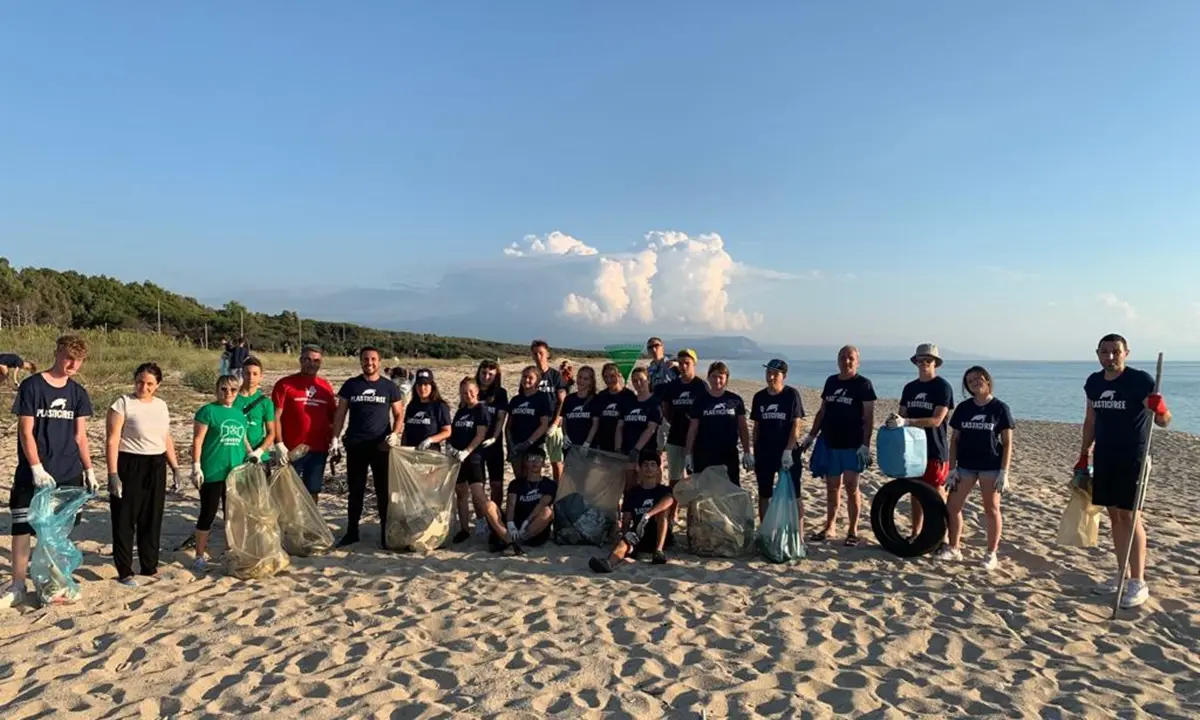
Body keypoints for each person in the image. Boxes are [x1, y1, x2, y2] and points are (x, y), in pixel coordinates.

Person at [1, 335, 99, 609]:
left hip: (68, 472)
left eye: (78, 360)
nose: (73, 364)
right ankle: (18, 585)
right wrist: (35, 466)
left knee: (57, 532)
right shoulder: (33, 386)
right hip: (34, 472)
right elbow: (26, 431)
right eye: (69, 357)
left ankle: (53, 582)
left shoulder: (78, 393)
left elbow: (81, 436)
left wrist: (89, 470)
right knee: (21, 527)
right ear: (57, 353)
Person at [1076, 333, 1171, 608]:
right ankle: (1121, 573)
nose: (1110, 356)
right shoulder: (1093, 382)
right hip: (1105, 456)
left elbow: (1164, 420)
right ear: (1098, 354)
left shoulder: (1140, 381)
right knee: (1115, 517)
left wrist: (1160, 408)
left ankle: (1138, 581)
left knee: (1131, 516)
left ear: (1126, 353)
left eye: (1115, 351)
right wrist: (1084, 453)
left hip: (1134, 456)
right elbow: (1090, 419)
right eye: (1104, 352)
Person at [105, 362, 180, 586]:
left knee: (151, 517)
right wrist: (113, 473)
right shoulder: (122, 404)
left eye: (149, 383)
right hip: (129, 462)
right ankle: (125, 570)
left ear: (157, 385)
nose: (143, 387)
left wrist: (175, 467)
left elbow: (165, 437)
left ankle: (149, 566)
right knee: (125, 518)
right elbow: (112, 439)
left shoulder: (161, 406)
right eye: (140, 381)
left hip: (156, 464)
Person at [940, 366, 1015, 570]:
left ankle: (991, 554)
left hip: (990, 466)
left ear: (987, 380)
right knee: (953, 506)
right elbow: (954, 439)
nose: (974, 383)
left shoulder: (1000, 408)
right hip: (965, 466)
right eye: (970, 381)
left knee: (991, 509)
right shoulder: (964, 408)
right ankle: (954, 547)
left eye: (977, 378)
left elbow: (1007, 442)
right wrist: (952, 468)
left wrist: (1004, 471)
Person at [332, 346, 405, 548]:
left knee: (383, 491)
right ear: (361, 361)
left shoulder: (389, 387)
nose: (369, 362)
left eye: (373, 359)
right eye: (365, 359)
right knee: (356, 491)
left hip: (381, 446)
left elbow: (399, 414)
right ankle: (352, 531)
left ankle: (385, 533)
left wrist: (395, 434)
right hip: (356, 445)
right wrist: (335, 439)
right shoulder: (351, 385)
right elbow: (340, 413)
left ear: (379, 362)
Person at [803, 345, 877, 546]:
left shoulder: (864, 384)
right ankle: (830, 526)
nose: (846, 361)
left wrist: (865, 445)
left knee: (852, 486)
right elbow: (823, 411)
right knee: (832, 487)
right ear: (837, 360)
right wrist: (811, 436)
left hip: (853, 445)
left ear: (857, 361)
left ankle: (852, 530)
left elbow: (869, 417)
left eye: (850, 357)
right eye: (843, 357)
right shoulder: (831, 381)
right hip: (830, 442)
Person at [885, 343, 954, 541]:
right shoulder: (910, 388)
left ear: (935, 363)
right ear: (915, 362)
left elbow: (937, 420)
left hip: (934, 449)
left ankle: (943, 536)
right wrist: (895, 421)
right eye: (920, 360)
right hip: (912, 450)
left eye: (928, 360)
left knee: (937, 493)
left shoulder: (942, 387)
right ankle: (916, 532)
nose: (924, 363)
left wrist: (907, 422)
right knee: (915, 492)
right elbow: (902, 413)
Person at [186, 374, 253, 571]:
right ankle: (199, 554)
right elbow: (198, 440)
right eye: (224, 389)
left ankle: (229, 548)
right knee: (208, 512)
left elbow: (243, 438)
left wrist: (251, 453)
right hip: (213, 471)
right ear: (217, 390)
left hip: (235, 472)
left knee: (231, 514)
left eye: (232, 389)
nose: (228, 393)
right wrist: (196, 465)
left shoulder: (240, 414)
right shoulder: (208, 411)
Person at [588, 452, 676, 573]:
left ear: (658, 470)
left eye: (652, 465)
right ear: (639, 469)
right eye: (645, 465)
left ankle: (658, 552)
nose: (649, 468)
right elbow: (626, 521)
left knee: (663, 512)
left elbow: (669, 500)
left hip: (659, 533)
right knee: (623, 543)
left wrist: (647, 515)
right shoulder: (632, 493)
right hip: (639, 532)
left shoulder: (663, 490)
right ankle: (608, 563)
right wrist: (626, 533)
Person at [272, 344, 337, 502]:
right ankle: (288, 524)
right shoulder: (285, 384)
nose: (311, 363)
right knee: (288, 490)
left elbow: (333, 417)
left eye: (316, 360)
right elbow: (275, 416)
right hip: (291, 449)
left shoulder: (325, 386)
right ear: (300, 360)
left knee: (312, 490)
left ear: (320, 363)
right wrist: (279, 443)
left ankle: (309, 524)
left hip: (318, 448)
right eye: (307, 359)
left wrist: (334, 440)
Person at [750, 359, 805, 526]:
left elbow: (797, 425)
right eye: (768, 372)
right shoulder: (759, 397)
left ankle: (798, 535)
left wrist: (788, 450)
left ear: (784, 376)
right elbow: (756, 427)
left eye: (775, 373)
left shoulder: (791, 395)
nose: (771, 376)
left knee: (794, 494)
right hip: (765, 452)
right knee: (764, 493)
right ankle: (766, 532)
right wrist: (753, 451)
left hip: (787, 452)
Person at [659, 349, 707, 530]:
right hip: (675, 437)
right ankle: (672, 514)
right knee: (674, 479)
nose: (683, 366)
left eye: (687, 363)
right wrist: (674, 421)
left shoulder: (700, 386)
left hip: (696, 441)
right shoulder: (672, 386)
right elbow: (666, 408)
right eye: (681, 363)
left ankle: (694, 516)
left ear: (694, 364)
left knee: (695, 479)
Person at [684, 362, 752, 486]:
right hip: (704, 453)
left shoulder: (735, 400)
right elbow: (693, 429)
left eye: (721, 377)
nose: (717, 380)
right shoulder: (700, 400)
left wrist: (747, 452)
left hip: (728, 453)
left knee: (730, 489)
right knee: (704, 491)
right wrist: (688, 453)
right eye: (714, 376)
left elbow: (742, 427)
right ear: (709, 377)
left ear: (726, 378)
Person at [479, 448, 556, 554]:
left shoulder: (549, 484)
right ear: (525, 462)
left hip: (533, 528)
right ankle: (509, 540)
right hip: (513, 526)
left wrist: (527, 522)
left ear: (543, 463)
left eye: (539, 459)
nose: (535, 463)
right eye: (531, 459)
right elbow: (511, 504)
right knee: (488, 505)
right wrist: (510, 524)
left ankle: (518, 541)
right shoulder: (516, 483)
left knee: (548, 512)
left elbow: (542, 504)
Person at [448, 377, 491, 544]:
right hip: (458, 458)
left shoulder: (481, 409)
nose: (468, 395)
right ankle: (464, 529)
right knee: (461, 492)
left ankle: (486, 522)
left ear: (477, 391)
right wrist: (451, 447)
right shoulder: (461, 411)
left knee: (478, 493)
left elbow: (480, 434)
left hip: (474, 457)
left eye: (471, 391)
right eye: (464, 392)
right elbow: (454, 432)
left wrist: (467, 451)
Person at [615, 367, 662, 490]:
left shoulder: (655, 403)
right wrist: (618, 448)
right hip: (627, 451)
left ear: (649, 380)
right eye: (635, 381)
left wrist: (637, 449)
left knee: (649, 487)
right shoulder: (628, 402)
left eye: (641, 379)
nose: (638, 383)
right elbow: (620, 427)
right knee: (630, 489)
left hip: (647, 453)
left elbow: (651, 429)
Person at [531, 340, 569, 482]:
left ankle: (558, 493)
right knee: (535, 461)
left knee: (556, 462)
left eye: (541, 353)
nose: (538, 356)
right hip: (535, 425)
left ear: (547, 354)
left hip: (554, 425)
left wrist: (556, 422)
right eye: (535, 354)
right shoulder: (531, 376)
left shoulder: (555, 376)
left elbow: (562, 400)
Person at [506, 366, 552, 481]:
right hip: (515, 446)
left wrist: (528, 443)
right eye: (524, 376)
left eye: (530, 377)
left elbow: (544, 425)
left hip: (534, 446)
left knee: (531, 479)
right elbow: (508, 426)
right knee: (519, 479)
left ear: (537, 380)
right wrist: (510, 445)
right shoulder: (515, 400)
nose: (526, 380)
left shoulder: (542, 398)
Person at [475, 360, 509, 506]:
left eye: (491, 374)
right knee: (478, 486)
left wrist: (494, 437)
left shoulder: (500, 393)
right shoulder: (473, 389)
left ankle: (496, 514)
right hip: (475, 443)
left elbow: (501, 418)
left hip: (494, 444)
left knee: (496, 484)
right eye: (484, 373)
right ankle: (482, 519)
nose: (486, 377)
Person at [234, 356, 276, 464]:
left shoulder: (265, 402)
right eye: (247, 373)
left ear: (261, 376)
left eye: (255, 374)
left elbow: (271, 432)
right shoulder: (232, 398)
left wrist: (259, 451)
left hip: (260, 456)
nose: (251, 377)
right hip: (236, 454)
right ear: (242, 374)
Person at [398, 368, 452, 452]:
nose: (422, 388)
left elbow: (447, 431)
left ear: (432, 386)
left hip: (430, 453)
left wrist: (430, 440)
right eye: (419, 384)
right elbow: (406, 431)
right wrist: (403, 448)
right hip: (411, 453)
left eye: (426, 384)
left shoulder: (440, 406)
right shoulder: (411, 406)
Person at [594, 362, 636, 453]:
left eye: (612, 376)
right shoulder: (601, 396)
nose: (609, 380)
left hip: (624, 445)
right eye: (605, 377)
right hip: (604, 444)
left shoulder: (629, 396)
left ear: (619, 375)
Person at [559, 365, 600, 455]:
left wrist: (587, 443)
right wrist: (565, 435)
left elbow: (595, 424)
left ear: (591, 381)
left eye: (586, 379)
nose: (581, 381)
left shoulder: (595, 399)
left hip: (587, 447)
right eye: (580, 377)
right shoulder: (569, 399)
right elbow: (565, 420)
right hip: (570, 445)